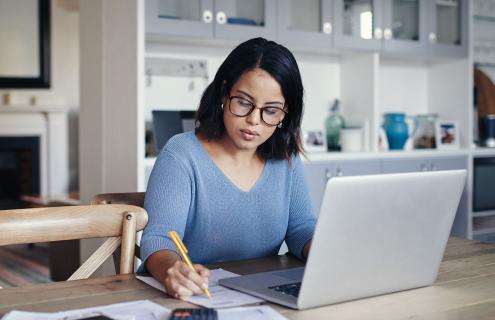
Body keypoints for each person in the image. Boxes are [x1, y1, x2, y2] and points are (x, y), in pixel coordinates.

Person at [140, 37, 316, 300]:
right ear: (224, 93)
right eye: (244, 102)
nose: (254, 120)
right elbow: (160, 237)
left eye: (271, 110)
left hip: (262, 295)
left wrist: (329, 252)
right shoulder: (181, 154)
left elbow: (300, 228)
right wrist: (172, 271)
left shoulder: (286, 158)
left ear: (285, 113)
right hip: (197, 297)